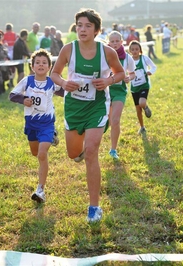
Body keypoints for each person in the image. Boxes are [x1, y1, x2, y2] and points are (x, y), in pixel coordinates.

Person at [50, 8, 125, 223]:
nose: (82, 29)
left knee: (91, 152)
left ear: (97, 30)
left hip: (97, 106)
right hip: (74, 107)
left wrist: (108, 81)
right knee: (74, 154)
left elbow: (119, 73)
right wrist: (64, 83)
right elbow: (54, 74)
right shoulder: (68, 49)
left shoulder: (106, 52)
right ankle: (80, 149)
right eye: (79, 25)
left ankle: (94, 207)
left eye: (88, 26)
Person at [9, 49, 63, 203]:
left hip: (47, 123)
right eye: (37, 63)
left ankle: (40, 190)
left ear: (49, 66)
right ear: (32, 66)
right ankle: (51, 137)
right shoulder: (27, 81)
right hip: (31, 124)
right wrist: (23, 99)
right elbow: (12, 95)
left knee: (42, 154)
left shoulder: (52, 82)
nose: (40, 65)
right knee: (35, 153)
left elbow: (66, 92)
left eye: (44, 63)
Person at [106, 31, 135, 160]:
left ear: (121, 42)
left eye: (117, 41)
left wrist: (129, 77)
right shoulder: (104, 56)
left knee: (115, 120)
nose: (115, 43)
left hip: (119, 92)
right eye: (112, 41)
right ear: (108, 43)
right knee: (106, 121)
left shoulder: (127, 58)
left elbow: (132, 73)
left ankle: (113, 149)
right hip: (105, 91)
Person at [128, 40, 157, 135]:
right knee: (138, 110)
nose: (135, 51)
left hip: (144, 85)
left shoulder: (144, 58)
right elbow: (123, 70)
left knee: (142, 102)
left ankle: (146, 107)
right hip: (134, 88)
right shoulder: (128, 60)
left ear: (140, 49)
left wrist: (150, 72)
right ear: (130, 51)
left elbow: (153, 67)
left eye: (137, 49)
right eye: (132, 49)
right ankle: (142, 127)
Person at [3, 23, 17, 88]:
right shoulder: (14, 34)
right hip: (11, 52)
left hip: (7, 52)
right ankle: (11, 81)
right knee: (12, 68)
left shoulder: (4, 35)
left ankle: (10, 81)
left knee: (10, 68)